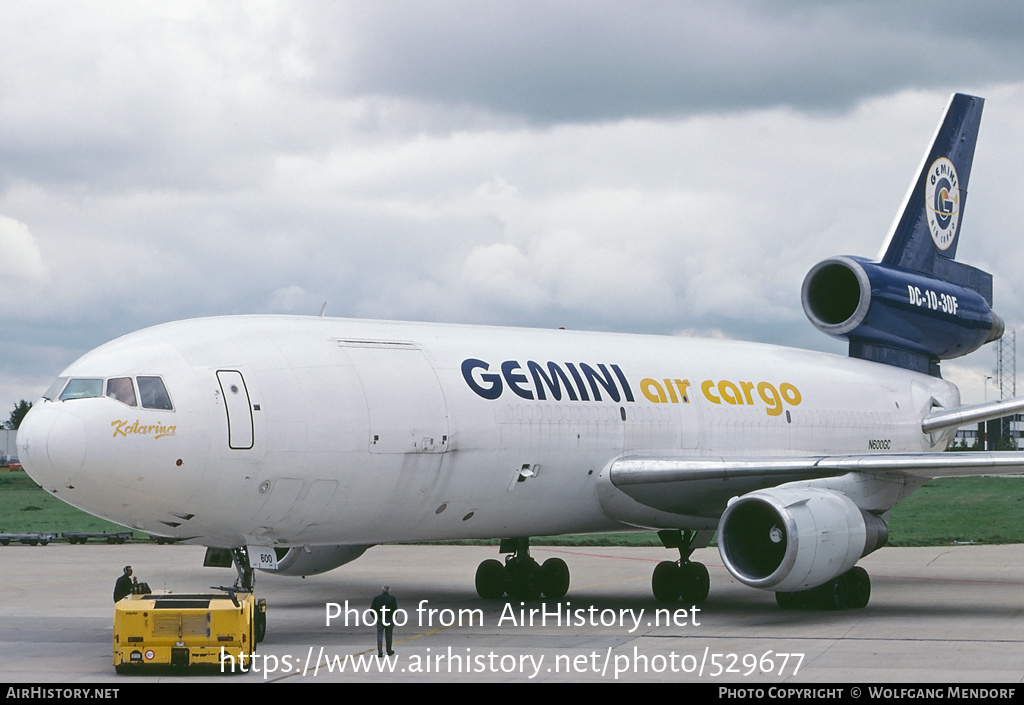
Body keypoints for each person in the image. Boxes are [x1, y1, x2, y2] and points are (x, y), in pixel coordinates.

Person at [370, 585, 398, 657]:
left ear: (382, 590)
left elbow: (372, 610)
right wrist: (394, 618)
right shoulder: (392, 598)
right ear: (389, 590)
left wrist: (376, 618)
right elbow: (395, 609)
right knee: (389, 635)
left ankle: (380, 652)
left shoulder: (376, 598)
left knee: (379, 635)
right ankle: (389, 651)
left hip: (380, 619)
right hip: (389, 619)